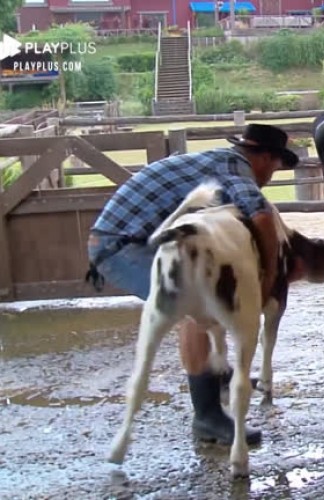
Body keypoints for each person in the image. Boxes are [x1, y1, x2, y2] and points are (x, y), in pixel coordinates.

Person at [86, 123, 300, 446]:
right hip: (123, 246)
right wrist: (269, 276)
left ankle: (216, 372)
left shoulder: (217, 163)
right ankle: (207, 416)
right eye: (275, 165)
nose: (271, 175)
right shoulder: (234, 168)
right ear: (264, 157)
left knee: (203, 289)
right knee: (196, 305)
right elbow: (262, 215)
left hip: (133, 237)